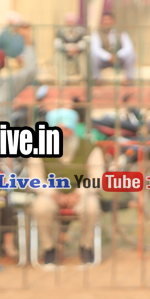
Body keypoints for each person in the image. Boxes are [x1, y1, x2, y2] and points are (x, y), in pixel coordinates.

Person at [28, 108, 104, 265]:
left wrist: (79, 193)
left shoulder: (90, 148)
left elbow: (97, 177)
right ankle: (49, 249)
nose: (63, 134)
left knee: (91, 207)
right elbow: (35, 178)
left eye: (67, 129)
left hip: (82, 195)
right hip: (50, 195)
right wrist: (52, 193)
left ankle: (86, 247)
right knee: (40, 207)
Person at [89, 12, 136, 83]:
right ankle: (96, 79)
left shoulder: (121, 32)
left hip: (119, 59)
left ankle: (128, 79)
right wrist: (108, 57)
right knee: (93, 55)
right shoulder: (97, 33)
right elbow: (95, 49)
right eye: (104, 20)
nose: (106, 22)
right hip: (103, 60)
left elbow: (128, 47)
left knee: (131, 54)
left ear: (113, 21)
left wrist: (118, 55)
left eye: (108, 20)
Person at [53, 12, 89, 82]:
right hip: (65, 52)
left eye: (72, 21)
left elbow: (84, 42)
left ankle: (84, 78)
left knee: (84, 56)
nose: (70, 23)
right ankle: (62, 80)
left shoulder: (82, 31)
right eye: (68, 21)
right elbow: (57, 43)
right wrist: (68, 49)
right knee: (58, 56)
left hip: (78, 52)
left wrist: (77, 48)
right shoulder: (60, 31)